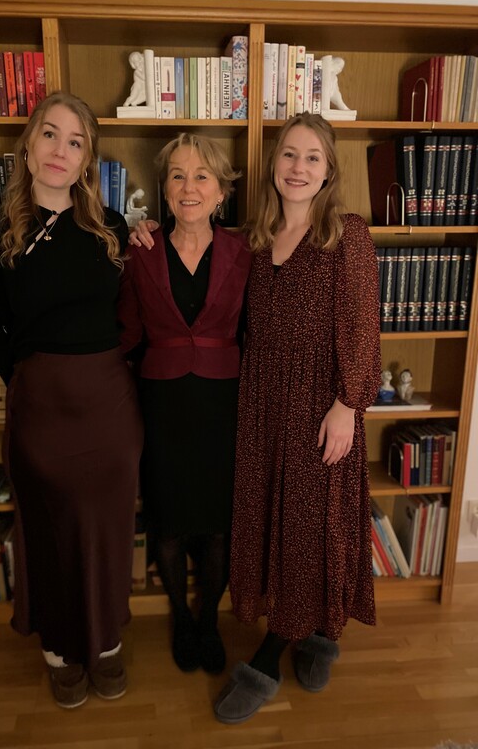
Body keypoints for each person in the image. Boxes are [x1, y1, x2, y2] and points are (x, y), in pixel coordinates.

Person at [0, 91, 143, 710]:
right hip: (41, 402)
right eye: (50, 134)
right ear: (29, 144)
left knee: (108, 527)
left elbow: (131, 313)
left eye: (75, 141)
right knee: (49, 527)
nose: (60, 151)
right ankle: (61, 649)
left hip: (110, 406)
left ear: (88, 157)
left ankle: (107, 640)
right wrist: (34, 382)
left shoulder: (110, 227)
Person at [213, 112, 381, 724]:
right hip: (261, 402)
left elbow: (363, 329)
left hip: (322, 406)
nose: (299, 167)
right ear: (274, 165)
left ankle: (270, 656)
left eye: (313, 157)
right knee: (271, 521)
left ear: (329, 169)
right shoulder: (253, 239)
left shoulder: (347, 233)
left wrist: (348, 405)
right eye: (289, 155)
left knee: (311, 527)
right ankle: (313, 632)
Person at [118, 133, 251, 675]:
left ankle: (209, 623)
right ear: (164, 189)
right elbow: (126, 330)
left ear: (221, 191)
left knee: (219, 525)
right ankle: (180, 615)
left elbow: (258, 328)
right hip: (163, 401)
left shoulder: (245, 251)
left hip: (225, 403)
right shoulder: (139, 249)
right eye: (177, 175)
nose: (189, 186)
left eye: (202, 176)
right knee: (170, 522)